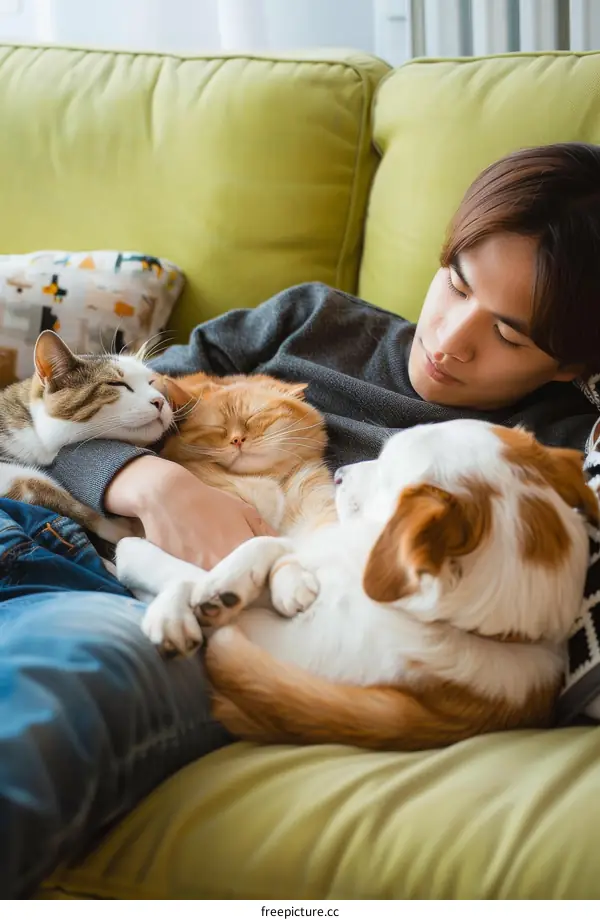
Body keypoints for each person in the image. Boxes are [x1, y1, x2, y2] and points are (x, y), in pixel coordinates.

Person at [3, 141, 600, 897]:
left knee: (40, 702)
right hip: (22, 508)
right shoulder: (310, 320)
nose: (449, 340)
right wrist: (142, 479)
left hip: (127, 609)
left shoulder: (533, 463)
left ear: (574, 366)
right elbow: (77, 409)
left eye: (509, 334)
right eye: (454, 285)